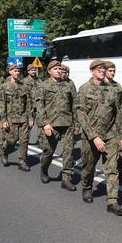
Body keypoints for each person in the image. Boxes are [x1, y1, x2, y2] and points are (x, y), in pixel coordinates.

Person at [76, 60, 122, 215]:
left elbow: (118, 114)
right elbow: (81, 114)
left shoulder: (112, 89)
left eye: (104, 68)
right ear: (92, 71)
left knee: (112, 169)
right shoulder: (84, 89)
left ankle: (112, 202)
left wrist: (121, 136)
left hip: (111, 135)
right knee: (89, 166)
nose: (103, 70)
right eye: (99, 69)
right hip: (91, 136)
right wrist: (94, 137)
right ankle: (87, 187)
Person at [36, 61, 76, 190]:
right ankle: (44, 169)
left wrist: (77, 122)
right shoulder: (43, 86)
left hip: (67, 124)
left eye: (60, 68)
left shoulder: (68, 85)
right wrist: (45, 124)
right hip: (51, 125)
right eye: (55, 68)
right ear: (49, 71)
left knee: (68, 152)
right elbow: (39, 106)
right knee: (48, 153)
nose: (58, 70)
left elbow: (74, 104)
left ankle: (66, 179)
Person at [0, 64, 32, 171]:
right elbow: (2, 104)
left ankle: (22, 161)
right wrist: (3, 120)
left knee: (24, 141)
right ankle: (4, 152)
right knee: (11, 141)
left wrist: (30, 118)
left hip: (23, 118)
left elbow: (28, 103)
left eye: (18, 71)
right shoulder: (4, 86)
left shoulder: (24, 87)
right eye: (15, 71)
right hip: (10, 118)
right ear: (10, 72)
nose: (17, 73)